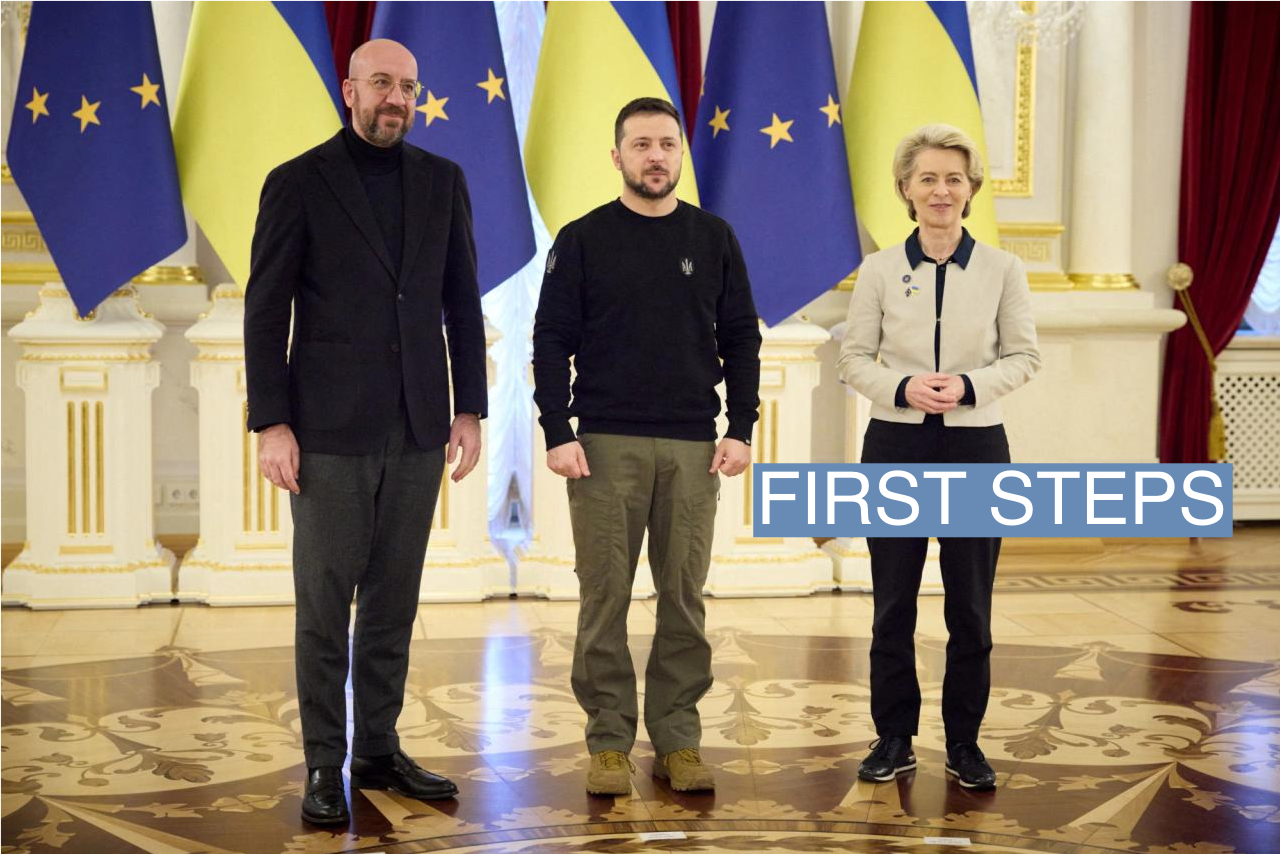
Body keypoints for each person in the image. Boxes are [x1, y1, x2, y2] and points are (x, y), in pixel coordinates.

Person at [243, 38, 486, 824]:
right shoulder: (297, 182)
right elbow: (265, 311)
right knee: (324, 608)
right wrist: (271, 422)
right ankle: (324, 762)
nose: (396, 99)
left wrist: (469, 407)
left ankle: (377, 749)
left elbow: (462, 302)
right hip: (327, 432)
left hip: (418, 427)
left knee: (393, 602)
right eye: (381, 83)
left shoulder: (444, 181)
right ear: (349, 90)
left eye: (408, 87)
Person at [532, 97, 762, 796]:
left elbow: (740, 339)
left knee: (684, 598)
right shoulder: (582, 238)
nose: (655, 156)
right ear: (617, 156)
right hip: (605, 445)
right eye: (641, 144)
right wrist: (557, 430)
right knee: (604, 597)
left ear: (680, 154)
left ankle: (678, 740)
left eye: (666, 143)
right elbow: (551, 339)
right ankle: (608, 744)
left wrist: (741, 427)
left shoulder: (714, 237)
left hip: (693, 446)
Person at [837, 123, 1041, 790]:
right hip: (894, 444)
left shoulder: (1004, 270)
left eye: (954, 178)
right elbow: (853, 359)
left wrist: (968, 386)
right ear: (906, 189)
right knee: (893, 603)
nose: (941, 190)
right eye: (927, 178)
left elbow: (1024, 356)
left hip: (976, 446)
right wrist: (902, 387)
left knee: (970, 607)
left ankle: (964, 742)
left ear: (971, 189)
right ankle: (894, 736)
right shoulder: (878, 270)